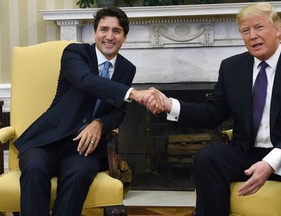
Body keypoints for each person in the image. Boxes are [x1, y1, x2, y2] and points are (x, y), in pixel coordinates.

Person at [14, 7, 162, 216]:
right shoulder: (75, 53)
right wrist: (134, 93)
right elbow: (86, 82)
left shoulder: (126, 68)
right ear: (95, 32)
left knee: (79, 175)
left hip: (83, 147)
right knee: (35, 170)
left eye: (116, 31)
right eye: (104, 29)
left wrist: (99, 123)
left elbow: (117, 113)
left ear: (124, 37)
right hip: (46, 140)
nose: (109, 37)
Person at [143, 2, 281, 216]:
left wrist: (270, 163)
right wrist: (170, 105)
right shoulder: (232, 67)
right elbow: (212, 114)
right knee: (207, 158)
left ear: (278, 30)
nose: (252, 35)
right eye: (246, 30)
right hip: (246, 151)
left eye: (259, 27)